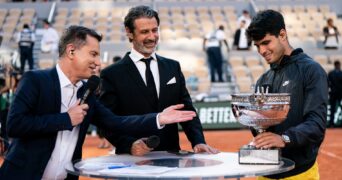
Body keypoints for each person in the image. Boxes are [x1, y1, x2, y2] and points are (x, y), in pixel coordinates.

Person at [0, 25, 197, 180]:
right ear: (71, 52)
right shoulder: (35, 80)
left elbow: (116, 122)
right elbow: (15, 125)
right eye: (93, 54)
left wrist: (159, 118)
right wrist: (65, 119)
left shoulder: (87, 92)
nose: (99, 62)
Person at [100, 5, 219, 156]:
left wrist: (198, 141)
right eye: (144, 32)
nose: (151, 37)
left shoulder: (172, 67)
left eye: (155, 30)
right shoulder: (111, 74)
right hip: (132, 162)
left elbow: (186, 109)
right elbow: (106, 122)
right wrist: (129, 145)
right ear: (129, 33)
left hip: (170, 159)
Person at [246, 10, 328, 179]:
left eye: (266, 42)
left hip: (300, 173)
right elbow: (260, 129)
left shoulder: (311, 70)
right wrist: (255, 124)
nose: (261, 50)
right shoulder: (263, 79)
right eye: (257, 46)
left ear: (282, 35)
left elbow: (316, 124)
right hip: (265, 172)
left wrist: (284, 138)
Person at [327, 60, 342, 127]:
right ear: (338, 65)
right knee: (340, 108)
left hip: (332, 93)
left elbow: (328, 83)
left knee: (332, 109)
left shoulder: (330, 73)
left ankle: (331, 124)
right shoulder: (341, 73)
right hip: (340, 93)